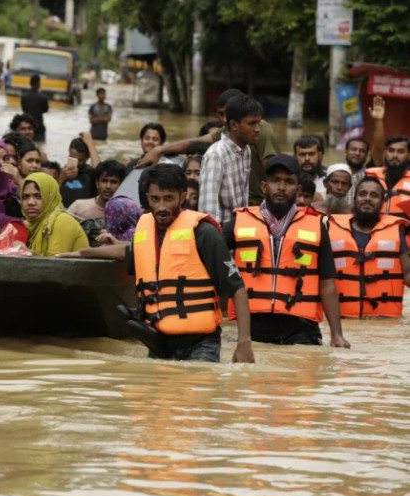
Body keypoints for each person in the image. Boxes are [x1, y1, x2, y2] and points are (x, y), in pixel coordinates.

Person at [59, 164, 254, 363]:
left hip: (200, 343)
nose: (161, 207)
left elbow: (237, 287)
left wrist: (244, 343)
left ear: (182, 196)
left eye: (168, 198)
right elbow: (127, 252)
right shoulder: (144, 229)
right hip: (158, 340)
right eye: (155, 199)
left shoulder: (204, 233)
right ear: (147, 198)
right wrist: (84, 252)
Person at [224, 154, 351, 348]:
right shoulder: (238, 222)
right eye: (275, 181)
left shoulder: (317, 225)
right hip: (253, 326)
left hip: (301, 328)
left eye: (289, 182)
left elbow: (327, 283)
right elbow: (213, 266)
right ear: (264, 186)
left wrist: (337, 334)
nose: (281, 187)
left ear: (298, 189)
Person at [137, 88, 278, 206]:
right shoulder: (222, 143)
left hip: (257, 204)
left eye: (227, 114)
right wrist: (158, 149)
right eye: (221, 114)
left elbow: (274, 174)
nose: (224, 120)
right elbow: (195, 142)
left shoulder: (260, 132)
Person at [328, 176, 410, 318]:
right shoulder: (331, 229)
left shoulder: (396, 232)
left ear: (382, 202)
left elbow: (408, 275)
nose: (367, 198)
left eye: (374, 195)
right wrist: (301, 257)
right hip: (344, 320)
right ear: (354, 199)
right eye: (362, 194)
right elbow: (314, 267)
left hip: (384, 323)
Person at [199, 95, 260, 224]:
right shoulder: (216, 155)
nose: (257, 129)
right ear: (233, 125)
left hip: (240, 226)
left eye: (258, 123)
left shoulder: (246, 150)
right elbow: (208, 211)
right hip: (221, 229)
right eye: (252, 124)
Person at [21, 172, 88, 256]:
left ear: (50, 197)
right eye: (25, 197)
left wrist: (27, 252)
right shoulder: (30, 226)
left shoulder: (62, 221)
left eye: (38, 196)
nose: (30, 202)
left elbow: (55, 265)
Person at [366, 136, 410, 220]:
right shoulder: (370, 176)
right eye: (391, 151)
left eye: (400, 152)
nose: (395, 155)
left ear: (408, 155)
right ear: (385, 152)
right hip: (373, 230)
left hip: (403, 230)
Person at [59, 133, 100, 207]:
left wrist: (91, 145)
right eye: (72, 158)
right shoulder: (60, 172)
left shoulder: (91, 173)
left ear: (88, 157)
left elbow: (100, 172)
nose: (76, 163)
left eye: (80, 160)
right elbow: (50, 196)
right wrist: (62, 178)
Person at [20, 74, 49, 142]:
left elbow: (24, 109)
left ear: (30, 83)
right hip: (39, 128)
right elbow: (45, 110)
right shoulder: (43, 97)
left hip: (27, 128)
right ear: (38, 83)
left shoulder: (24, 97)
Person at [344, 137, 370, 205]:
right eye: (353, 149)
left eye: (362, 151)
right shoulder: (336, 174)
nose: (357, 153)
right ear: (346, 151)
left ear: (367, 155)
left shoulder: (370, 176)